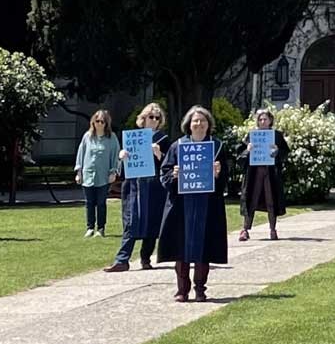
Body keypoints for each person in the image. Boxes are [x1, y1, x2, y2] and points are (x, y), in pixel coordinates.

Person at [158, 106, 228, 302]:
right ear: (188, 124)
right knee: (181, 247)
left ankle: (200, 289)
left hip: (207, 205)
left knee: (204, 247)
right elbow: (164, 174)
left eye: (203, 121)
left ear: (208, 124)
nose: (199, 124)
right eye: (195, 121)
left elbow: (226, 179)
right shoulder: (177, 146)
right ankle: (182, 289)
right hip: (182, 205)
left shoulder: (216, 146)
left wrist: (217, 174)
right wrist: (173, 175)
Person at [106, 102, 170, 273]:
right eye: (151, 117)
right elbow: (123, 170)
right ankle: (122, 260)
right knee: (131, 220)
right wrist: (122, 157)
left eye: (157, 118)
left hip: (154, 185)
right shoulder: (133, 138)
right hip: (133, 185)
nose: (154, 120)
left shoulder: (163, 139)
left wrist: (159, 154)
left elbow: (169, 165)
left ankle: (145, 257)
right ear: (143, 118)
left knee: (151, 220)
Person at [240, 108, 288, 242]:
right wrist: (247, 150)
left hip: (270, 172)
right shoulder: (251, 135)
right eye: (260, 119)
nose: (262, 122)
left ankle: (273, 229)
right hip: (253, 173)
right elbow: (240, 154)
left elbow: (285, 152)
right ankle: (245, 229)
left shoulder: (276, 136)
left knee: (271, 199)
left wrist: (277, 151)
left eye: (265, 119)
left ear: (270, 120)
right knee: (250, 198)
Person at [74, 110, 117, 238]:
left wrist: (113, 172)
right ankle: (90, 227)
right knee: (89, 203)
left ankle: (101, 228)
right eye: (97, 121)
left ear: (106, 123)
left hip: (103, 176)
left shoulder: (111, 138)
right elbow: (81, 155)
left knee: (101, 203)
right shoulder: (87, 136)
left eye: (102, 121)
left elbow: (115, 156)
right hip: (88, 175)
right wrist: (79, 172)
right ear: (93, 122)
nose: (99, 124)